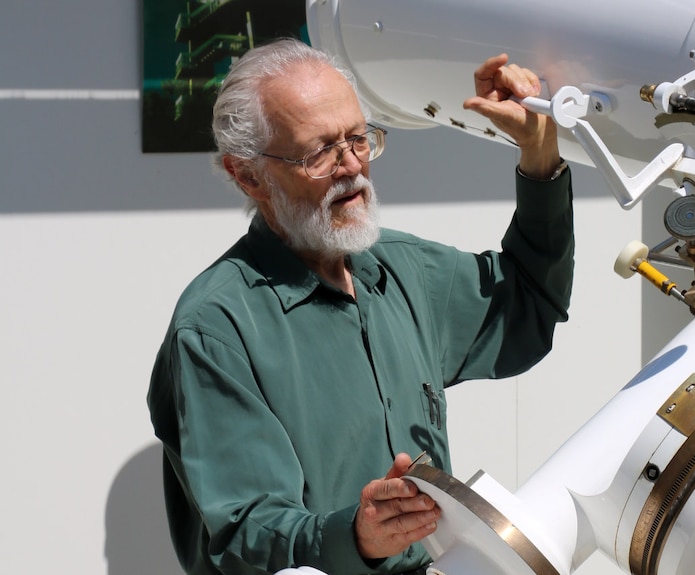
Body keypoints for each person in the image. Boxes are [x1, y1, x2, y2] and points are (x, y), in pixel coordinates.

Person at [147, 38, 574, 575]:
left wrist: (539, 159)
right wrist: (356, 535)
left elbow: (527, 307)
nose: (352, 166)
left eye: (359, 138)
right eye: (319, 151)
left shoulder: (399, 267)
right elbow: (244, 533)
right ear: (248, 175)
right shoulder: (216, 328)